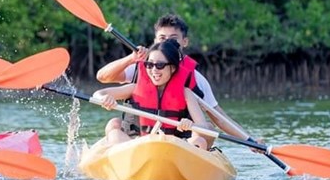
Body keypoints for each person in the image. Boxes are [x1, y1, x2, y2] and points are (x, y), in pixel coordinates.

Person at [96, 13, 253, 141]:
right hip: (140, 139)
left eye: (173, 38)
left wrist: (249, 139)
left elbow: (219, 118)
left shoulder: (194, 80)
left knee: (208, 130)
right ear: (155, 41)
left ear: (184, 42)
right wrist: (130, 59)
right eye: (162, 38)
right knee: (113, 124)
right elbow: (103, 77)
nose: (154, 70)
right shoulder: (144, 67)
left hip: (177, 141)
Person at [93, 39, 214, 149]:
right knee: (113, 129)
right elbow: (98, 93)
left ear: (172, 68)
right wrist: (104, 98)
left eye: (160, 65)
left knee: (200, 139)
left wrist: (191, 125)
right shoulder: (134, 88)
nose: (154, 70)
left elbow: (202, 127)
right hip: (138, 145)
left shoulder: (186, 93)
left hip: (175, 146)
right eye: (149, 65)